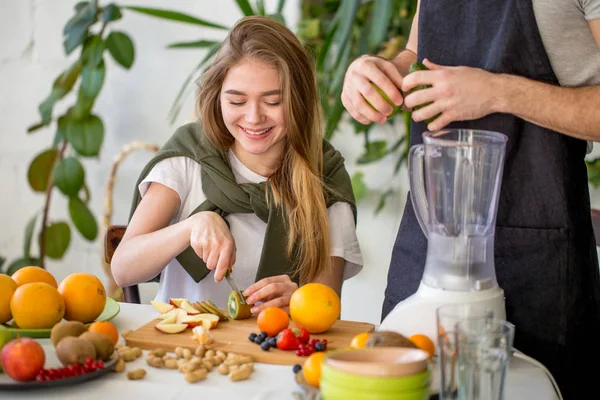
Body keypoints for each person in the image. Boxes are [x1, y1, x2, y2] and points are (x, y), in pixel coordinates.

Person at [341, 0, 600, 398]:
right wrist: (382, 72)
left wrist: (499, 92)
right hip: (427, 247)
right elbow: (416, 54)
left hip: (542, 263)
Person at [111, 16, 363, 315]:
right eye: (236, 101)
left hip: (278, 354)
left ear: (299, 101)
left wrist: (298, 299)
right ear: (217, 98)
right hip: (183, 351)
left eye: (272, 102)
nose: (254, 118)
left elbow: (327, 304)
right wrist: (191, 226)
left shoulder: (324, 174)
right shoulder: (189, 157)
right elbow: (123, 269)